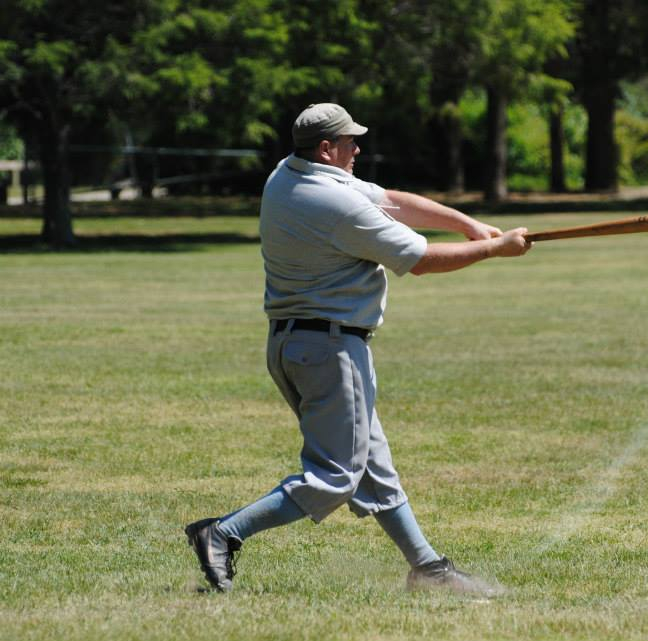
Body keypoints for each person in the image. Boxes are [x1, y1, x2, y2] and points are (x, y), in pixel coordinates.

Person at [185, 103, 532, 594]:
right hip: (330, 349)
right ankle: (222, 533)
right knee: (335, 476)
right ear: (327, 149)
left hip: (297, 343)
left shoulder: (286, 174)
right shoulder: (333, 204)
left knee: (375, 467)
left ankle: (428, 568)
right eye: (350, 141)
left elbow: (390, 200)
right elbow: (420, 260)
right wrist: (494, 250)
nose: (358, 148)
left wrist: (467, 225)